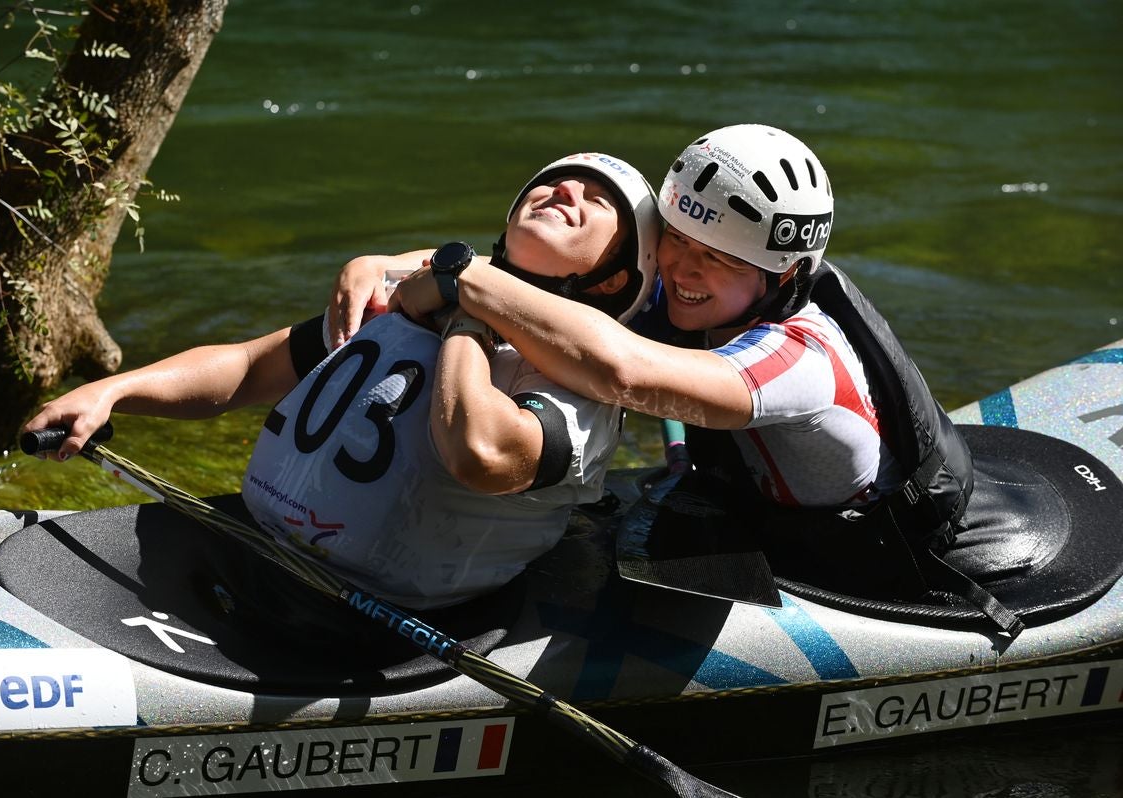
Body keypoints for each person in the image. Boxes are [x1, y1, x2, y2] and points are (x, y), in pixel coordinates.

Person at [332, 125, 1019, 634]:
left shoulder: (800, 359)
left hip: (862, 548)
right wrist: (393, 262)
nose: (685, 273)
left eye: (716, 259)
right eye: (677, 245)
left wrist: (458, 285)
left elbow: (623, 373)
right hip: (750, 506)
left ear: (781, 273)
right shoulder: (700, 293)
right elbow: (535, 277)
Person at [23, 152, 661, 611]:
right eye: (552, 182)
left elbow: (484, 454)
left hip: (386, 616)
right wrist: (113, 391)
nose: (564, 192)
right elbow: (249, 369)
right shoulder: (410, 297)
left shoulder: (583, 377)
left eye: (595, 198)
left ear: (612, 279)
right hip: (259, 547)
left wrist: (470, 316)